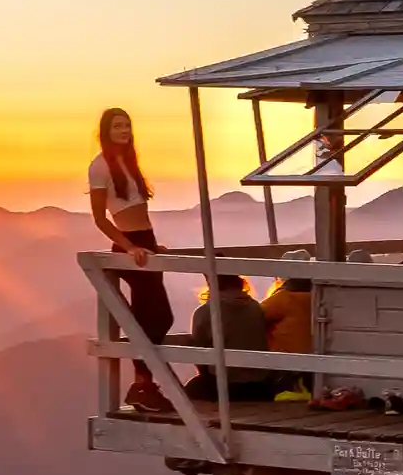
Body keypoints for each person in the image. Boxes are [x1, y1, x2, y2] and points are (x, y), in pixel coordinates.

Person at [89, 107, 176, 416]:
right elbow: (100, 218)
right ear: (105, 130)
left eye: (126, 125)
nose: (123, 130)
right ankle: (143, 384)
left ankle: (145, 385)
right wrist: (128, 247)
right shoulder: (99, 167)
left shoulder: (129, 162)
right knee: (159, 317)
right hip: (131, 245)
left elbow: (139, 211)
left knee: (149, 317)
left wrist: (152, 244)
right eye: (117, 126)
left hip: (146, 242)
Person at [179, 274, 279, 404]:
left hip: (225, 387)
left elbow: (199, 354)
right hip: (261, 386)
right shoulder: (256, 308)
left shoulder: (205, 312)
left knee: (188, 392)